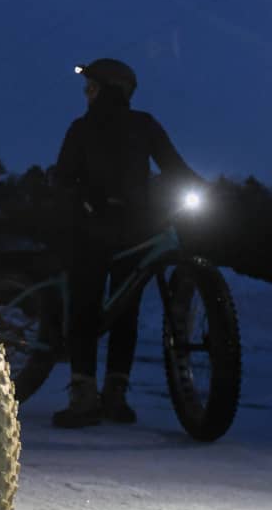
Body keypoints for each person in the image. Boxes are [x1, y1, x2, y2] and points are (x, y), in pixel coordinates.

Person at [51, 58, 200, 429]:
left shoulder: (90, 128)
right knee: (113, 309)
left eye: (91, 87)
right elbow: (174, 166)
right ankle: (103, 394)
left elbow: (63, 178)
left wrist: (206, 190)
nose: (86, 94)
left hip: (105, 228)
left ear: (110, 87)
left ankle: (95, 395)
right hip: (124, 227)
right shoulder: (134, 125)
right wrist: (206, 186)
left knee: (101, 307)